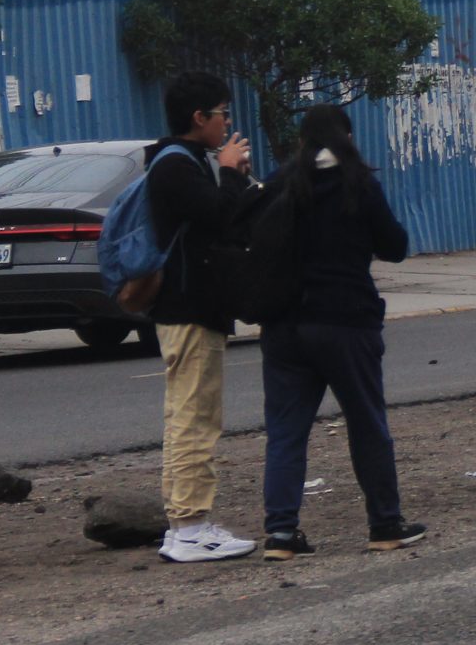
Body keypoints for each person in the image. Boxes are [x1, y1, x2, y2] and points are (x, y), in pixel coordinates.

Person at [258, 104, 425, 559]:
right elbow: (395, 246)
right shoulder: (359, 184)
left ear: (301, 142)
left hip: (285, 327)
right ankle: (385, 525)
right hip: (346, 321)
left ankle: (280, 533)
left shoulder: (279, 184)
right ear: (347, 137)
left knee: (286, 431)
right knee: (367, 423)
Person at [147, 71, 260, 563]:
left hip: (190, 306)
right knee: (195, 419)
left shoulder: (184, 162)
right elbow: (219, 216)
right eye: (222, 114)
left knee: (186, 417)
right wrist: (231, 172)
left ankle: (183, 525)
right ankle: (192, 526)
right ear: (199, 118)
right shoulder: (176, 166)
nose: (227, 123)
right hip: (189, 306)